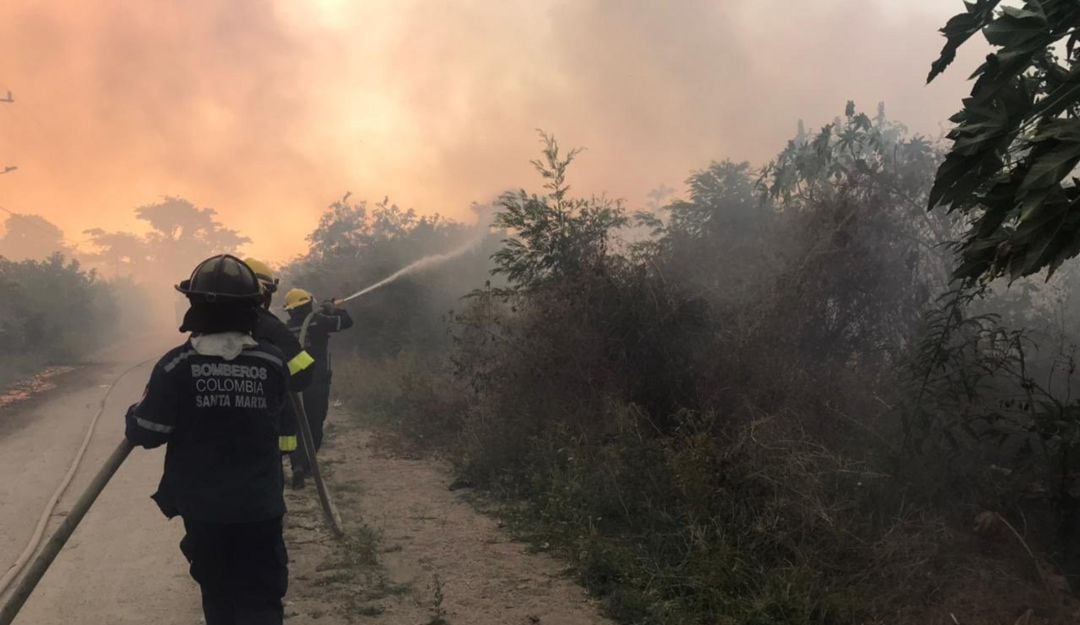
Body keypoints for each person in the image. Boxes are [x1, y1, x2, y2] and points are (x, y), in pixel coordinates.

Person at [125, 254, 293, 625]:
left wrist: (132, 416)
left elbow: (148, 433)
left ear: (194, 304)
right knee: (263, 598)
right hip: (260, 508)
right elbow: (277, 414)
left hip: (206, 513)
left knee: (220, 598)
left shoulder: (175, 366)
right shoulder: (272, 362)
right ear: (254, 307)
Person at [243, 258, 315, 464]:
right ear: (263, 292)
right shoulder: (271, 327)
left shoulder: (200, 333)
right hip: (263, 445)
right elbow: (302, 373)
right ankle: (298, 464)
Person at [283, 287, 353, 489]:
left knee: (296, 423)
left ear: (290, 310)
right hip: (316, 380)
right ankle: (305, 467)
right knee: (314, 421)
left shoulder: (286, 329)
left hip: (293, 382)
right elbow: (347, 321)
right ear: (309, 304)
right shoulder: (321, 321)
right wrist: (332, 310)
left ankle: (297, 464)